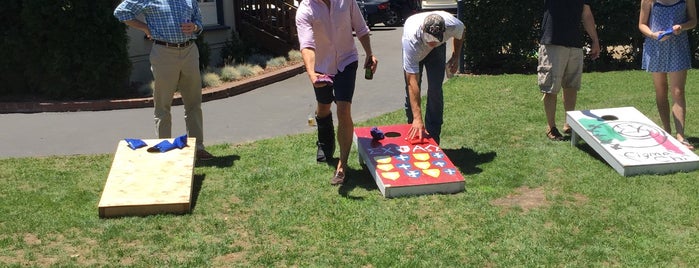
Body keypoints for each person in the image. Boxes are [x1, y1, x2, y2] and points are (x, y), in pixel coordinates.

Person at [114, 0, 214, 160]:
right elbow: (121, 12)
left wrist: (195, 27)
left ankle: (198, 148)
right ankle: (164, 149)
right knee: (163, 105)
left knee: (194, 103)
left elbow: (199, 22)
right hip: (163, 52)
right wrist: (145, 28)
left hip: (189, 51)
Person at [295, 0, 378, 185]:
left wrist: (369, 54)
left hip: (347, 61)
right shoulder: (305, 9)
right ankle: (325, 143)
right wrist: (311, 74)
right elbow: (307, 45)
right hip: (321, 67)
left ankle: (342, 164)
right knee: (323, 108)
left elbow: (361, 29)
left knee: (343, 109)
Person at [538, 0, 600, 141]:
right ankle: (551, 127)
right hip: (553, 41)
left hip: (575, 44)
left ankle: (569, 123)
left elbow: (586, 13)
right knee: (551, 88)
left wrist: (595, 40)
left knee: (571, 86)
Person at [639, 0, 697, 150]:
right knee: (661, 90)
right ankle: (667, 131)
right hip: (656, 46)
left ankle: (681, 136)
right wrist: (653, 34)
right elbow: (642, 24)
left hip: (678, 46)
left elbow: (694, 21)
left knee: (678, 91)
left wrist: (682, 26)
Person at [402, 11, 465, 144]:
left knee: (435, 90)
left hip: (437, 52)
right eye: (429, 39)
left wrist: (456, 56)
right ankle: (414, 129)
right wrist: (418, 118)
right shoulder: (410, 39)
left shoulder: (452, 25)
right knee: (412, 93)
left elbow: (461, 32)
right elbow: (412, 81)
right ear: (422, 29)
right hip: (416, 49)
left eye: (435, 40)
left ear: (444, 32)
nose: (431, 43)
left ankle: (433, 138)